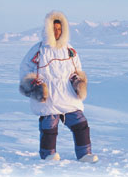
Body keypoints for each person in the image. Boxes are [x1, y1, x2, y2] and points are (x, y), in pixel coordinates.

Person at [19, 11, 98, 163]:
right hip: (48, 96)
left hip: (67, 94)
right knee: (49, 126)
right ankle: (48, 155)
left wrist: (78, 82)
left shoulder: (70, 50)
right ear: (48, 29)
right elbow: (25, 70)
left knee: (80, 123)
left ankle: (84, 155)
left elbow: (77, 70)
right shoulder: (38, 50)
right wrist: (34, 86)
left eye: (59, 29)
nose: (57, 32)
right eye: (54, 29)